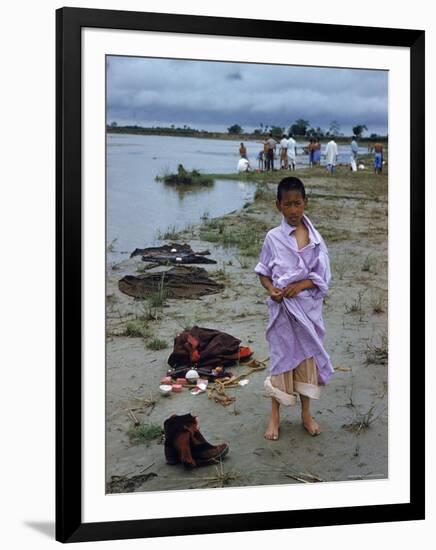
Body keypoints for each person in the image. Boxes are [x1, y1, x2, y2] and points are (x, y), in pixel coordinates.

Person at [255, 177, 334, 440]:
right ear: (278, 205)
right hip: (283, 314)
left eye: (297, 204)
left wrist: (301, 285)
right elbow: (263, 272)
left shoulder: (315, 239)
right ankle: (275, 416)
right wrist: (271, 289)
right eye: (287, 204)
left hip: (307, 312)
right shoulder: (273, 238)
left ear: (305, 203)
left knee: (306, 361)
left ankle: (306, 414)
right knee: (280, 361)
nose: (293, 210)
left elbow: (321, 277)